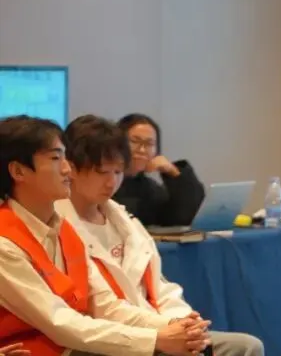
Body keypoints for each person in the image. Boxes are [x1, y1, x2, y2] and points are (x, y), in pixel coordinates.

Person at [0, 115, 211, 356]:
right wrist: (156, 339)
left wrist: (176, 325)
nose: (67, 169)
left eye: (118, 171)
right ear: (18, 171)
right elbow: (60, 322)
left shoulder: (63, 228)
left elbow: (104, 304)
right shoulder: (6, 243)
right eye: (56, 158)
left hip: (85, 343)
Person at [57, 114, 266, 356]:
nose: (111, 182)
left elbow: (161, 286)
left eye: (118, 171)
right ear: (71, 168)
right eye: (102, 171)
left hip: (157, 326)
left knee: (247, 347)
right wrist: (168, 328)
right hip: (115, 337)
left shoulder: (124, 220)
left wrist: (183, 321)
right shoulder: (59, 227)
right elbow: (104, 308)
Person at [113, 113, 205, 227]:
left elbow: (183, 218)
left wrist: (173, 172)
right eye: (134, 141)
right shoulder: (105, 183)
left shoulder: (150, 189)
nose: (142, 150)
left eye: (149, 144)